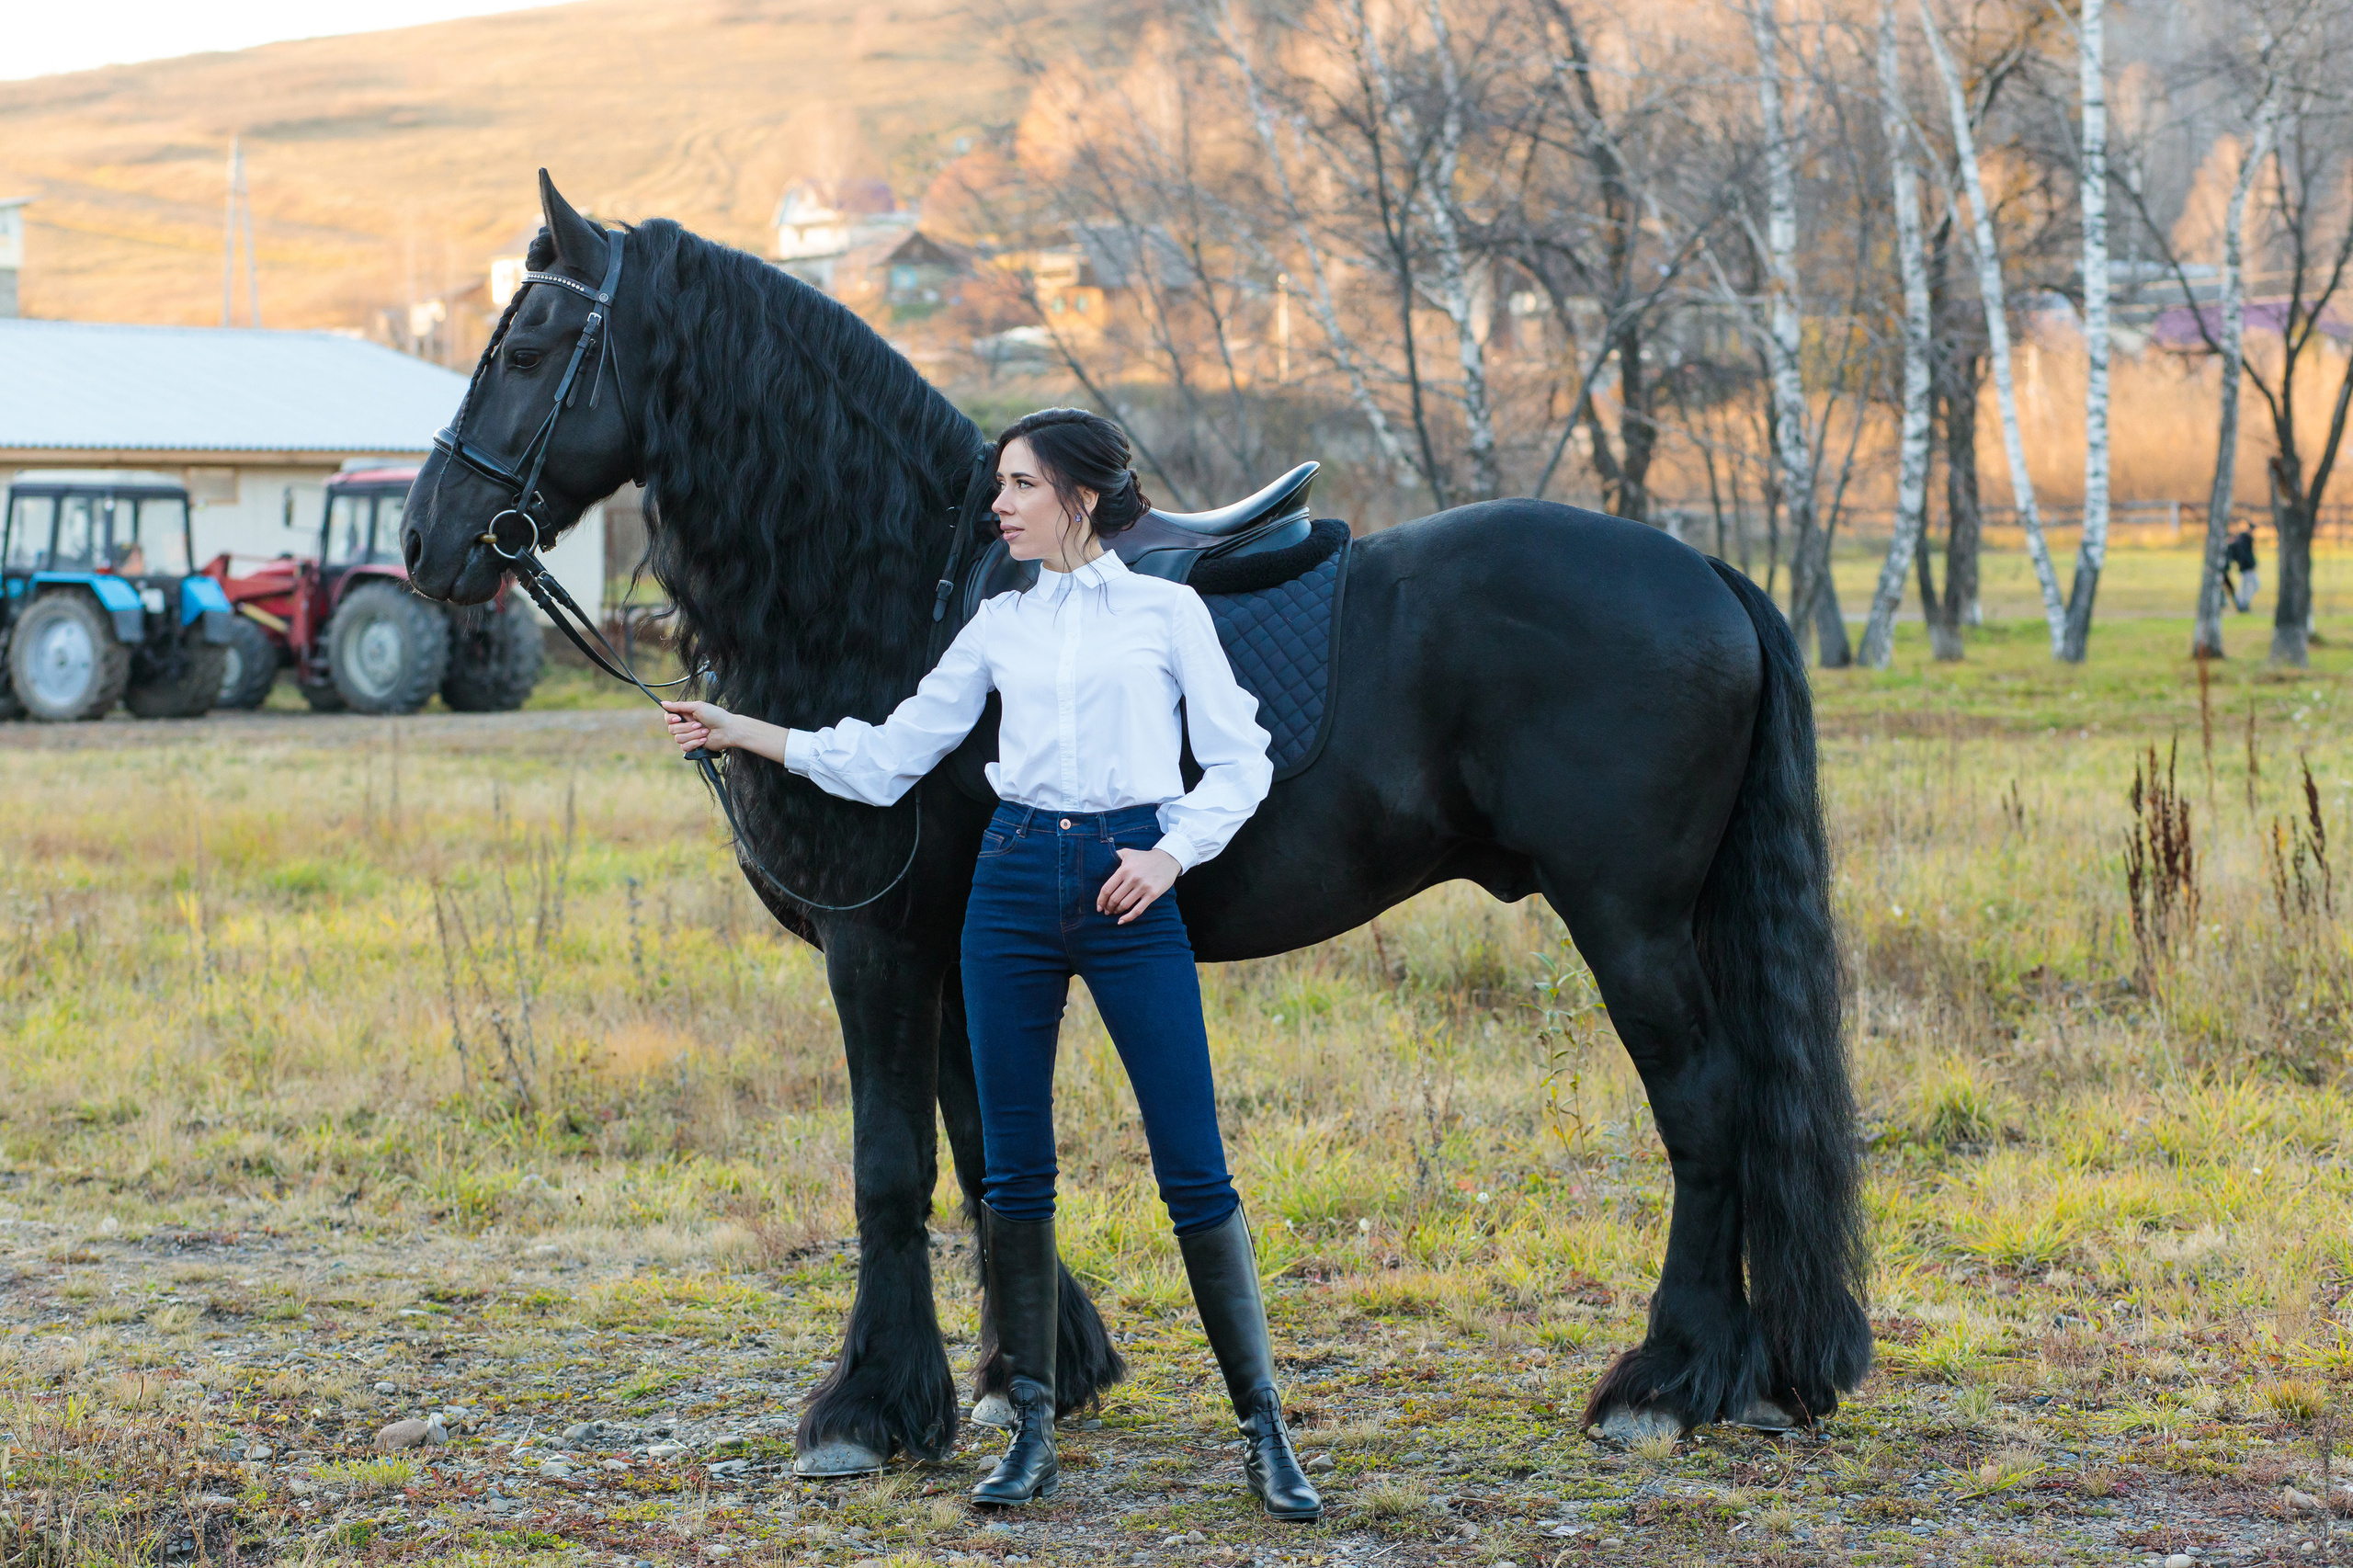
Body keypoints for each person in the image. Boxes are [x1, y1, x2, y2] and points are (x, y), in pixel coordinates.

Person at [660, 408, 1321, 1521]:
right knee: (1014, 1176)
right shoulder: (997, 625)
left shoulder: (1166, 613)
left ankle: (1265, 1430)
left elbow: (1240, 758)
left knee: (1194, 1167)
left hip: (1127, 881)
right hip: (1010, 889)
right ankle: (1030, 1429)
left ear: (1080, 496)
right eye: (999, 484)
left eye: (1020, 485)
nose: (999, 505)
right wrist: (743, 729)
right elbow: (886, 757)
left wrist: (1169, 853)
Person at [2224, 527, 2259, 612]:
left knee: (2246, 587)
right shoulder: (2238, 544)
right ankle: (2242, 604)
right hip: (2245, 568)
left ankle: (2242, 604)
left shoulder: (2242, 542)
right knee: (2248, 586)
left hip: (2246, 568)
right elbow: (2237, 557)